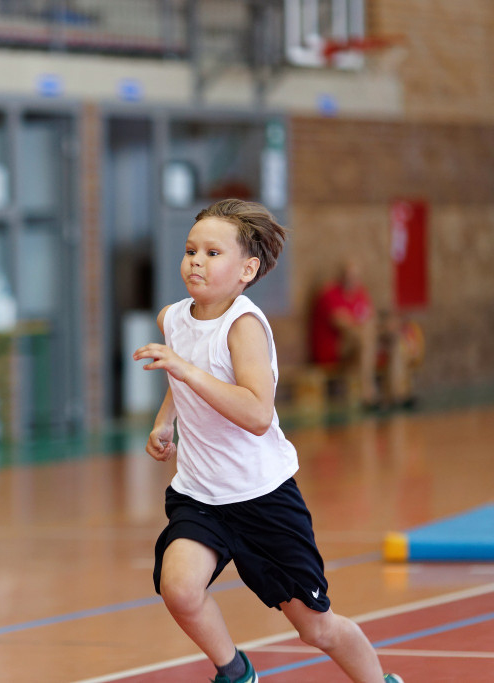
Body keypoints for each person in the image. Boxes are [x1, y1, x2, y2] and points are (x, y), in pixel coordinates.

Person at [132, 199, 402, 683]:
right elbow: (182, 376)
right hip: (202, 493)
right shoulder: (172, 318)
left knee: (316, 629)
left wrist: (185, 371)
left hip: (262, 498)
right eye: (191, 249)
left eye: (213, 253)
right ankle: (236, 673)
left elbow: (257, 414)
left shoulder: (244, 328)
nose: (196, 260)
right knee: (179, 587)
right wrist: (165, 421)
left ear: (247, 269)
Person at [310, 260, 412, 409]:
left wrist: (384, 328)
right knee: (366, 339)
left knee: (393, 340)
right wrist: (369, 329)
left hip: (361, 342)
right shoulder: (330, 295)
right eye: (348, 275)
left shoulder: (361, 294)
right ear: (341, 276)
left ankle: (397, 394)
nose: (352, 280)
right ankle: (368, 396)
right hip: (335, 348)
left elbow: (372, 318)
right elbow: (341, 323)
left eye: (355, 276)